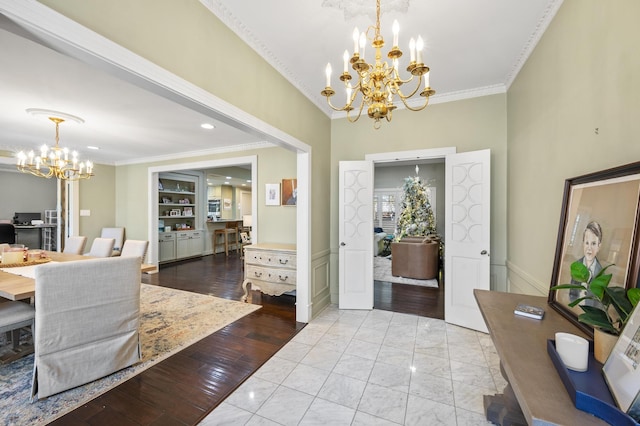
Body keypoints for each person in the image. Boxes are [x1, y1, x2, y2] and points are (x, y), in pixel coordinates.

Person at [569, 221, 603, 306]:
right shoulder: (577, 265)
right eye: (587, 243)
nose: (589, 248)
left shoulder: (600, 272)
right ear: (583, 244)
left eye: (593, 244)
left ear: (599, 246)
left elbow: (599, 301)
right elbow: (572, 292)